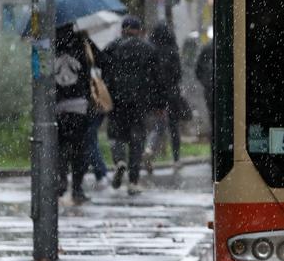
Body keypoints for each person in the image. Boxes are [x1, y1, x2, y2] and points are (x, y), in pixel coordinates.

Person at [101, 16, 161, 195]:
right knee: (137, 140)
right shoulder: (149, 49)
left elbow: (103, 70)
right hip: (140, 102)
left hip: (117, 99)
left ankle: (119, 160)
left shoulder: (112, 48)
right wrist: (157, 102)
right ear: (139, 30)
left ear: (123, 29)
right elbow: (156, 78)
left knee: (117, 134)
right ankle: (133, 181)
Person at [53, 25, 92, 205]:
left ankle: (61, 180)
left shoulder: (49, 44)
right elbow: (92, 67)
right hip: (79, 106)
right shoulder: (80, 44)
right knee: (79, 149)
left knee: (60, 147)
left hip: (57, 106)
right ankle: (77, 188)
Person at [148, 23, 186, 166]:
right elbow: (178, 75)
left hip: (156, 95)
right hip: (172, 94)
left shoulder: (151, 50)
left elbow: (150, 74)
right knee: (174, 127)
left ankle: (149, 150)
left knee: (157, 126)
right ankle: (176, 159)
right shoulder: (173, 51)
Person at [194, 39, 216, 153]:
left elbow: (198, 69)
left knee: (213, 121)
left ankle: (214, 151)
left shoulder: (207, 48)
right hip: (217, 90)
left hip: (210, 90)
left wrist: (206, 83)